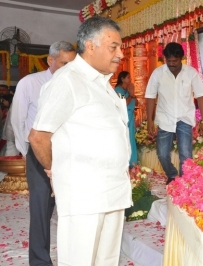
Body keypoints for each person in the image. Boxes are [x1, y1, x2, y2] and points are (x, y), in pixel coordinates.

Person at [28, 16, 132, 265]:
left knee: (106, 259)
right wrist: (55, 171)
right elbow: (39, 136)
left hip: (113, 191)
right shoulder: (67, 80)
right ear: (90, 46)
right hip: (84, 194)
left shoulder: (104, 84)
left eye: (120, 47)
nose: (120, 54)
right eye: (113, 47)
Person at [10, 41, 76, 266]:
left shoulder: (74, 85)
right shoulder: (30, 83)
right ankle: (40, 261)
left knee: (69, 208)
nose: (69, 69)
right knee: (41, 209)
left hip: (68, 154)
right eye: (64, 63)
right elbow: (17, 119)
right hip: (39, 152)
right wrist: (25, 150)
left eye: (72, 64)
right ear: (50, 60)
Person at [145, 42, 203, 185]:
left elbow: (200, 96)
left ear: (182, 58)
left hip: (184, 119)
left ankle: (184, 184)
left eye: (175, 61)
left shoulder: (191, 73)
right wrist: (150, 120)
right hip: (164, 119)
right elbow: (150, 96)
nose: (172, 64)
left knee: (186, 156)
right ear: (165, 59)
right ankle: (172, 175)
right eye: (169, 61)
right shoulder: (158, 73)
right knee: (162, 154)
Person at [115, 70, 138, 167]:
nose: (130, 80)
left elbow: (136, 102)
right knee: (125, 138)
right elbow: (123, 104)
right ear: (122, 79)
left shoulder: (127, 90)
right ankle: (126, 162)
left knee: (131, 138)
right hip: (123, 118)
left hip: (131, 117)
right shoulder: (118, 90)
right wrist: (131, 95)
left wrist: (132, 94)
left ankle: (133, 162)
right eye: (128, 77)